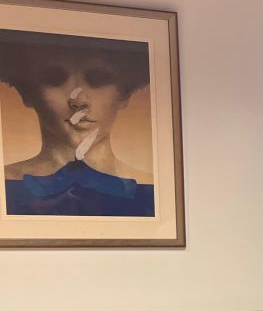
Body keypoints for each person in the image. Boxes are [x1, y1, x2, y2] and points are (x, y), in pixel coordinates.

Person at [0, 29, 154, 216]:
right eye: (54, 79)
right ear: (28, 93)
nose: (79, 101)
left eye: (98, 80)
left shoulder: (154, 190)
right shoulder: (5, 183)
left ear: (124, 94)